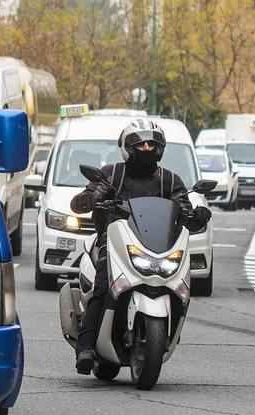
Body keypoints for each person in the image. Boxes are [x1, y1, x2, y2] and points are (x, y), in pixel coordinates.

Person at [70, 118, 211, 375]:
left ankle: (169, 329)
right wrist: (89, 198)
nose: (147, 148)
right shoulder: (113, 174)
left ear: (160, 148)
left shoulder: (170, 181)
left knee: (183, 287)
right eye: (141, 143)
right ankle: (86, 347)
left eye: (152, 144)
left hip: (156, 247)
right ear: (127, 146)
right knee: (102, 287)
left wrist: (198, 214)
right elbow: (93, 192)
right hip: (112, 246)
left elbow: (184, 206)